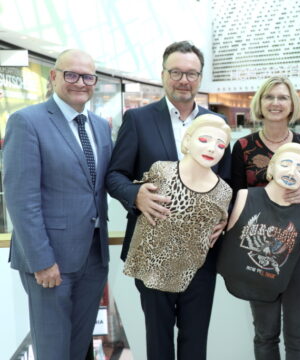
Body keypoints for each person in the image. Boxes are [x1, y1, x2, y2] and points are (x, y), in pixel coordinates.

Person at [106, 41, 230, 360]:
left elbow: (229, 184)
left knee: (195, 341)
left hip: (201, 253)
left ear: (200, 78)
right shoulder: (138, 119)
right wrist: (136, 195)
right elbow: (115, 175)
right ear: (163, 74)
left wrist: (225, 219)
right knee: (158, 341)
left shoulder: (217, 126)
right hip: (152, 250)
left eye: (191, 73)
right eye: (176, 72)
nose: (183, 80)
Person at [4, 49, 112, 360]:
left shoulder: (101, 127)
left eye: (88, 76)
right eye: (71, 74)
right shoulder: (27, 121)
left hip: (93, 256)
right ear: (53, 77)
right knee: (53, 351)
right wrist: (41, 261)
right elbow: (21, 199)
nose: (81, 82)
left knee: (78, 349)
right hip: (50, 261)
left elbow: (108, 181)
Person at [230, 76, 300, 360]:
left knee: (298, 338)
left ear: (292, 104)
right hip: (257, 250)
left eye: (282, 97)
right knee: (266, 334)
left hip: (299, 247)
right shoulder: (243, 146)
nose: (275, 103)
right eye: (270, 97)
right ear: (260, 103)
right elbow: (234, 197)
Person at [123, 115, 232, 293]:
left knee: (196, 320)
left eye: (220, 145)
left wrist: (224, 222)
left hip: (196, 270)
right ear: (188, 141)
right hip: (152, 266)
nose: (212, 149)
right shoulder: (162, 171)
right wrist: (136, 196)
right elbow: (135, 191)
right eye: (204, 140)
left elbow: (222, 219)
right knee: (157, 319)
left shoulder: (224, 191)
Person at [218, 143, 300, 304]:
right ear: (271, 168)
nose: (292, 172)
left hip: (272, 287)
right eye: (285, 164)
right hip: (229, 283)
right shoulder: (244, 196)